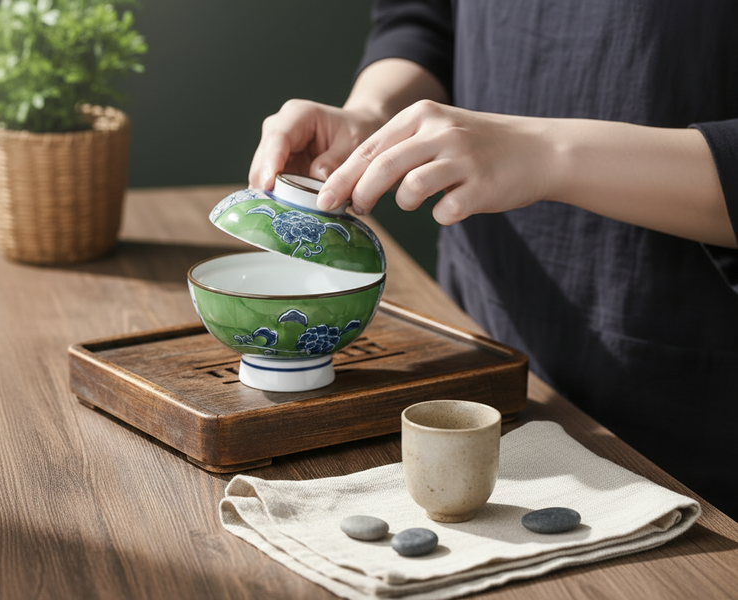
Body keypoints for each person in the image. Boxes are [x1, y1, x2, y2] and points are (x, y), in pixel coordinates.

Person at [249, 0, 738, 518]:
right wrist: (373, 115)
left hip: (693, 409)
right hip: (476, 346)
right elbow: (424, 17)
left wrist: (548, 152)